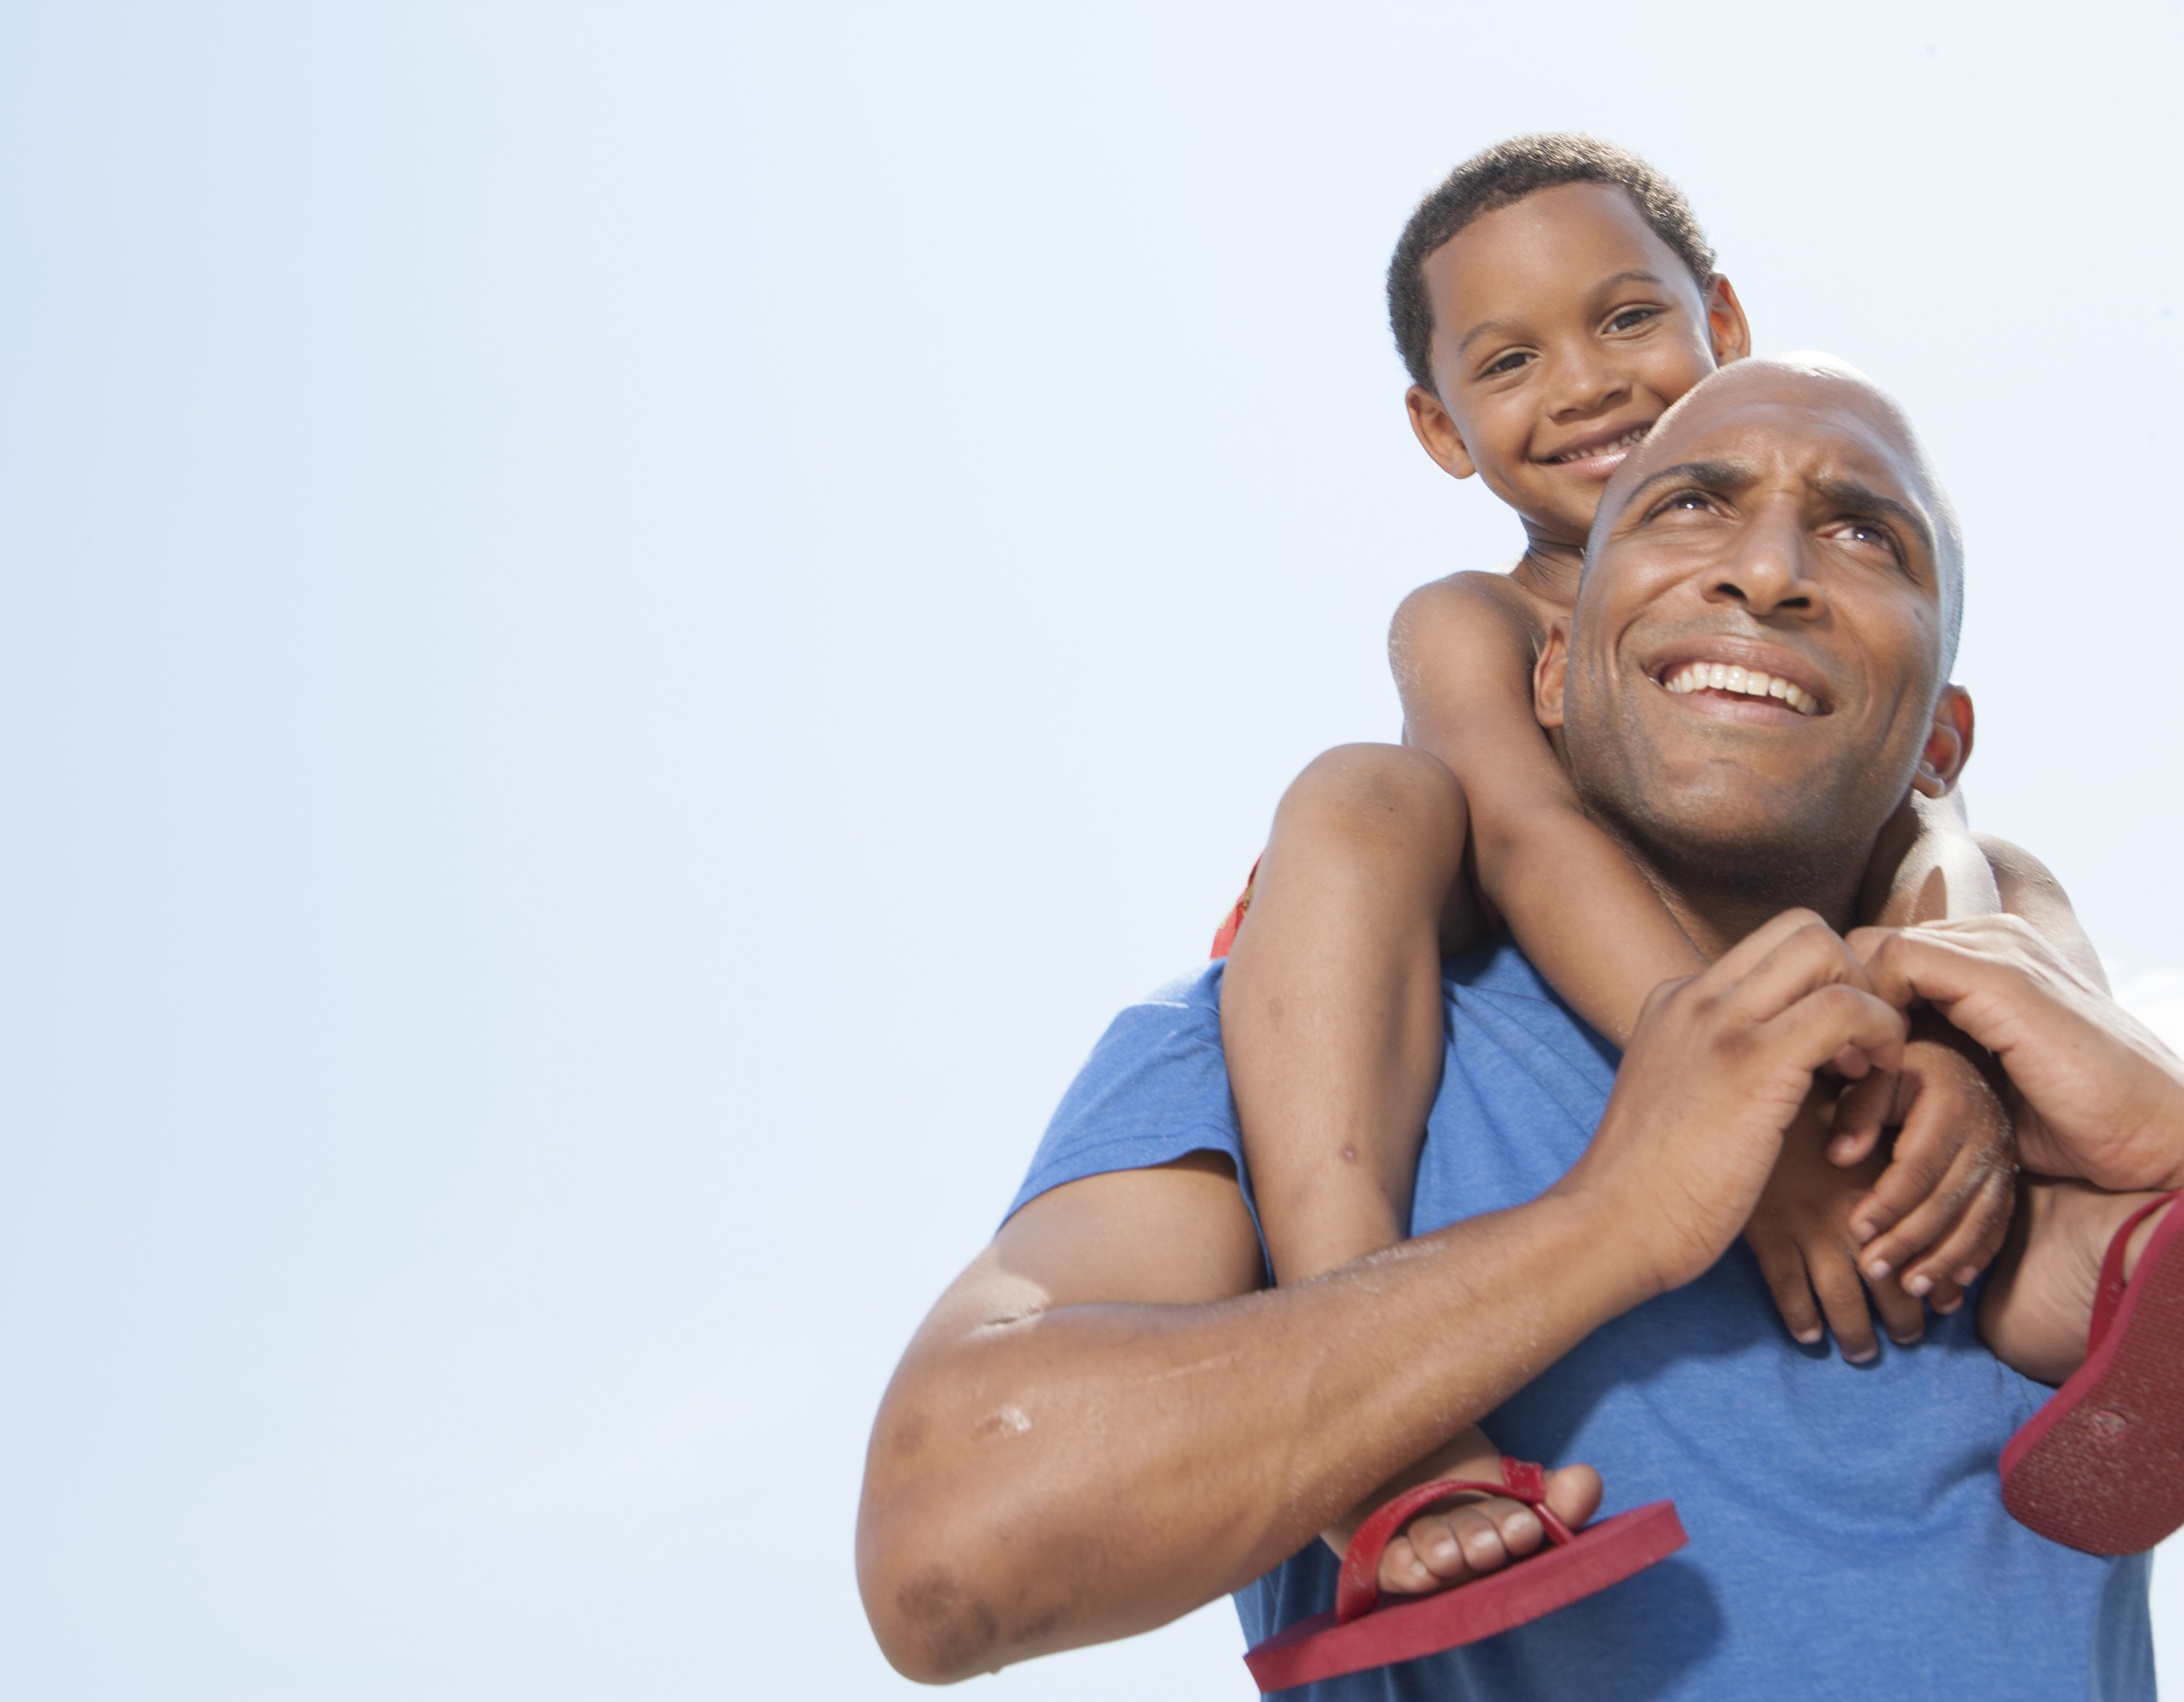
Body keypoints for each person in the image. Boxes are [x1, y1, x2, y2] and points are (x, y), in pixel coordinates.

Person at [856, 357, 2169, 1698]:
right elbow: (952, 1556)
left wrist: (2164, 1132)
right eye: (1689, 508)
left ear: (1940, 746)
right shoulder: (1285, 1042)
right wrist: (1612, 1221)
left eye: (1861, 534)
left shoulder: (2032, 1088)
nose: (1767, 571)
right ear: (1549, 675)